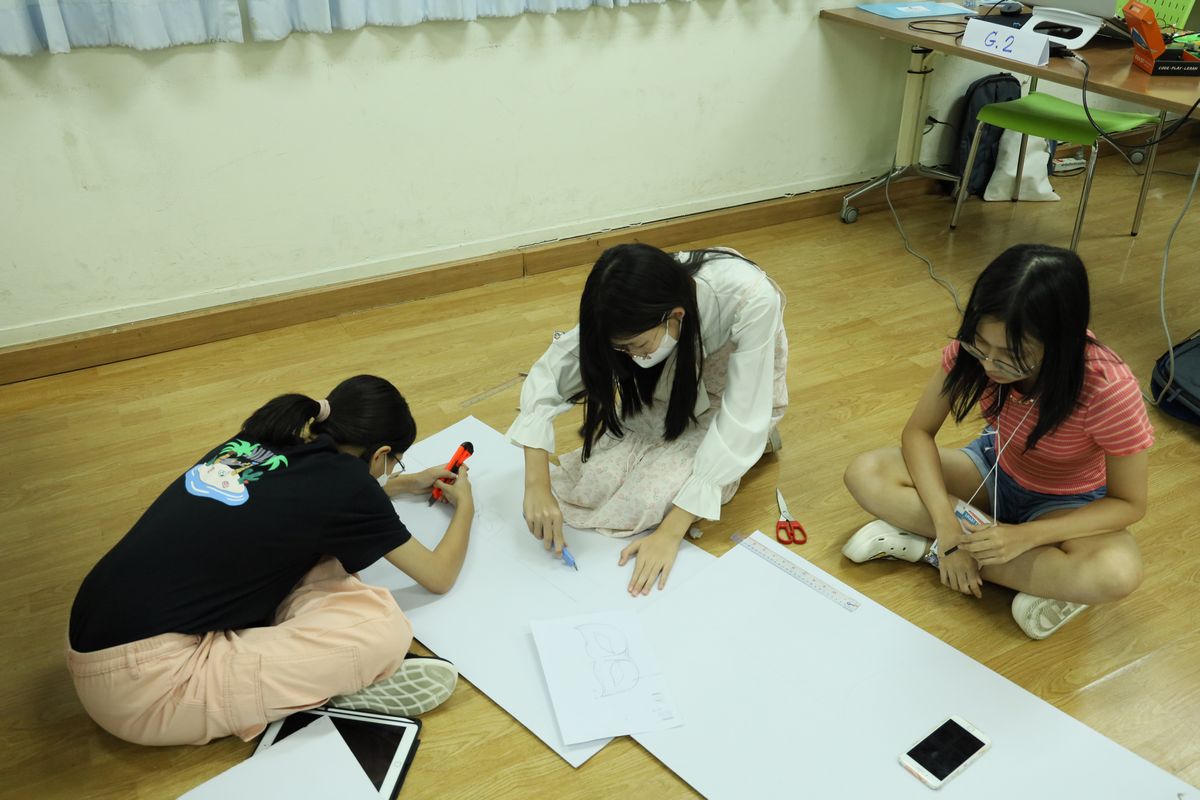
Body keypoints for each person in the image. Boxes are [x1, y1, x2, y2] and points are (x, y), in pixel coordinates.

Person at [67, 375, 474, 746]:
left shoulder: (265, 436)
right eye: (394, 464)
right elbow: (438, 575)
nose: (390, 472)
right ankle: (326, 685)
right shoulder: (349, 486)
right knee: (383, 631)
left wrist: (397, 485)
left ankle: (291, 671)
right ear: (381, 454)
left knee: (315, 551)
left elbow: (316, 504)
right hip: (143, 690)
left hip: (98, 629)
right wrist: (466, 506)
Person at [841, 244, 1152, 639]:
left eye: (1010, 356)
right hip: (992, 468)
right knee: (867, 472)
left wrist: (1025, 536)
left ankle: (925, 545)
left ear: (1059, 342)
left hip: (1066, 503)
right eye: (980, 345)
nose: (988, 365)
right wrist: (947, 527)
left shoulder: (1108, 388)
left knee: (1115, 573)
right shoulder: (976, 351)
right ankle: (992, 561)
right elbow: (917, 432)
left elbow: (1129, 503)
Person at [508, 243, 788, 596]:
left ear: (675, 316)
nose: (629, 356)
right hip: (673, 386)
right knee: (596, 481)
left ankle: (758, 441)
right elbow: (555, 371)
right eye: (621, 349)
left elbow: (743, 412)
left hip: (733, 391)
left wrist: (670, 533)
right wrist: (536, 484)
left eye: (637, 346)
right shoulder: (627, 301)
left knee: (649, 501)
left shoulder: (751, 299)